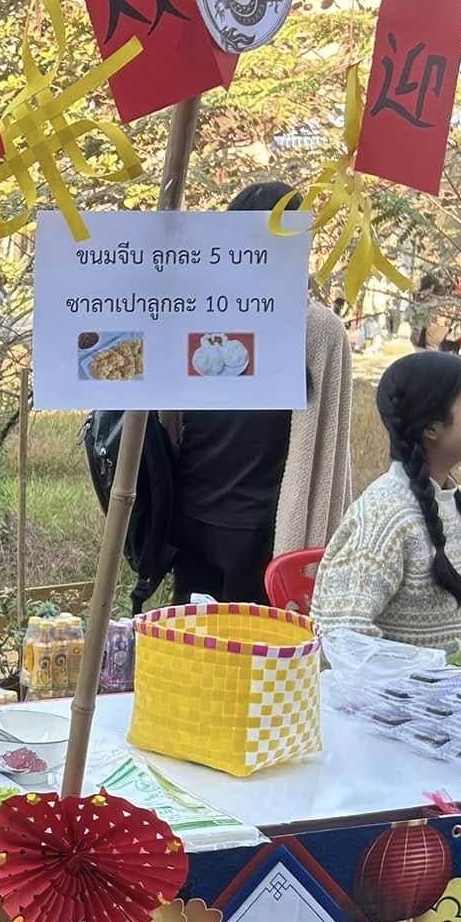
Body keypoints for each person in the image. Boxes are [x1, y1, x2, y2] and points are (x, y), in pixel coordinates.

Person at [168, 182, 353, 605]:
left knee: (193, 652)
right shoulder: (317, 327)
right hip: (247, 523)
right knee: (252, 658)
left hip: (210, 516)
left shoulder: (196, 310)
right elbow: (330, 445)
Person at [311, 352, 461, 653]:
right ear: (431, 428)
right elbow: (340, 636)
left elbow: (458, 625)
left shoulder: (460, 504)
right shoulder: (385, 516)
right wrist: (416, 679)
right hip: (392, 697)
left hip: (446, 690)